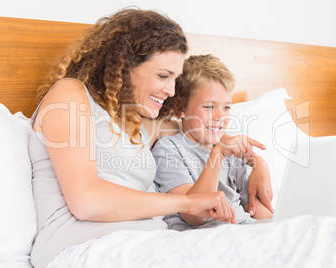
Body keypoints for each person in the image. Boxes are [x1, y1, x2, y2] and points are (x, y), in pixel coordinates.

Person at [29, 8, 272, 268]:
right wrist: (188, 202)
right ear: (124, 64)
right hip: (85, 245)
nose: (171, 90)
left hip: (152, 242)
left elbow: (199, 128)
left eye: (175, 79)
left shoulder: (139, 123)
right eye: (163, 76)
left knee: (274, 246)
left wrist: (256, 162)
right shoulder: (70, 94)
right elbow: (86, 201)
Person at [152, 55, 273, 231]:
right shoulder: (169, 149)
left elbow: (255, 210)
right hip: (205, 234)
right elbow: (193, 215)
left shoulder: (231, 152)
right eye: (209, 107)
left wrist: (279, 227)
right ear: (180, 109)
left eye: (227, 107)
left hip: (245, 230)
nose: (220, 117)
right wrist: (218, 154)